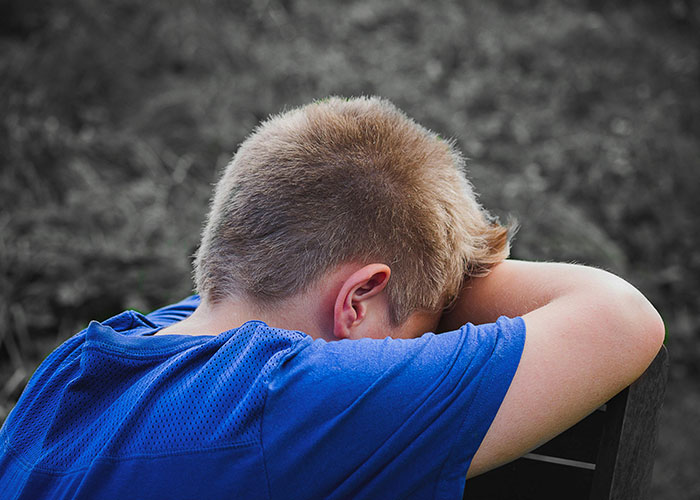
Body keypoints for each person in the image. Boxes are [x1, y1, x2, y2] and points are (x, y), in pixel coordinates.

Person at [0, 97, 664, 499]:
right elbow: (622, 318)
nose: (411, 357)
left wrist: (426, 278)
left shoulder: (75, 369)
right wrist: (453, 277)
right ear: (356, 302)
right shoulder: (289, 401)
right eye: (420, 337)